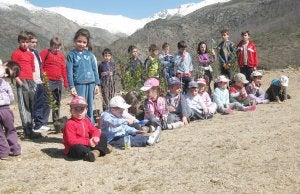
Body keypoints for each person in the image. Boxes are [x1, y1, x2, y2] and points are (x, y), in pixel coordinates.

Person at [66, 28, 100, 123]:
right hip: (79, 84)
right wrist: (72, 86)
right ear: (75, 40)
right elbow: (69, 72)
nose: (81, 44)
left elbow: (94, 70)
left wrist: (97, 84)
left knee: (89, 106)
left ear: (87, 43)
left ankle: (90, 127)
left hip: (91, 84)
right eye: (79, 41)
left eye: (84, 42)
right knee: (79, 106)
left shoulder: (90, 55)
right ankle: (80, 127)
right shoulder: (71, 55)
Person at [11, 31, 40, 139]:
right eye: (22, 42)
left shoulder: (30, 55)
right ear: (19, 42)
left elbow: (32, 68)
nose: (25, 44)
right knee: (24, 106)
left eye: (27, 42)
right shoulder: (16, 53)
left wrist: (33, 81)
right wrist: (19, 81)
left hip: (31, 81)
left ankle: (31, 128)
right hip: (21, 80)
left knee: (31, 105)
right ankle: (27, 131)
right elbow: (12, 68)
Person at [63, 96, 111, 162]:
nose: (79, 112)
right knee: (78, 148)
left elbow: (95, 130)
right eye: (76, 109)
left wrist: (95, 137)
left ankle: (96, 152)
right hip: (74, 147)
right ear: (71, 111)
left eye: (82, 109)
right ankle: (100, 150)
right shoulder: (70, 123)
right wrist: (88, 142)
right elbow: (71, 141)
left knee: (102, 136)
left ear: (86, 110)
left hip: (88, 144)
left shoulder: (86, 120)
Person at [40, 36, 69, 126]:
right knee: (47, 101)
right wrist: (42, 76)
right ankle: (43, 121)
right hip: (48, 80)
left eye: (58, 47)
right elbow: (40, 64)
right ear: (51, 46)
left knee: (57, 101)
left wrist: (65, 81)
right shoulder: (45, 52)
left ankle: (56, 120)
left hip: (58, 81)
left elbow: (63, 68)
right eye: (54, 47)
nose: (56, 49)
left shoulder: (60, 56)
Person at [27, 32, 50, 132]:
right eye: (32, 42)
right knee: (32, 104)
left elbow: (40, 67)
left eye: (36, 42)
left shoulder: (36, 53)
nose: (34, 44)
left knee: (40, 103)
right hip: (31, 82)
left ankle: (39, 124)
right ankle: (30, 124)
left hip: (40, 81)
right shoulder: (26, 53)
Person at [0, 61, 21, 160]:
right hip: (5, 109)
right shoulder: (5, 83)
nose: (6, 75)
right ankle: (15, 149)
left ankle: (3, 152)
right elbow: (11, 97)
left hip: (4, 108)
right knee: (10, 130)